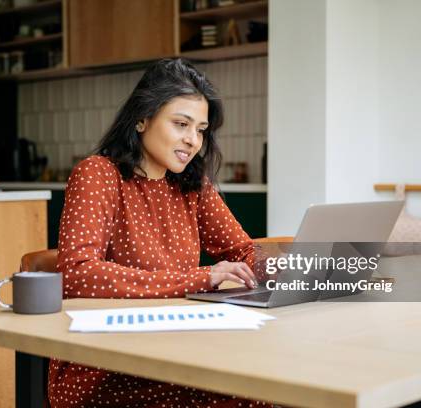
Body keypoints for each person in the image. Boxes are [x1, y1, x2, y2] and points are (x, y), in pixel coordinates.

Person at [48, 58, 271, 408]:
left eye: (200, 129)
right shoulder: (98, 174)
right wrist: (201, 278)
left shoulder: (192, 186)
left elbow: (242, 250)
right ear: (142, 119)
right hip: (107, 365)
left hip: (179, 351)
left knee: (263, 390)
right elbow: (76, 274)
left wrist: (300, 270)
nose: (193, 140)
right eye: (181, 124)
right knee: (248, 397)